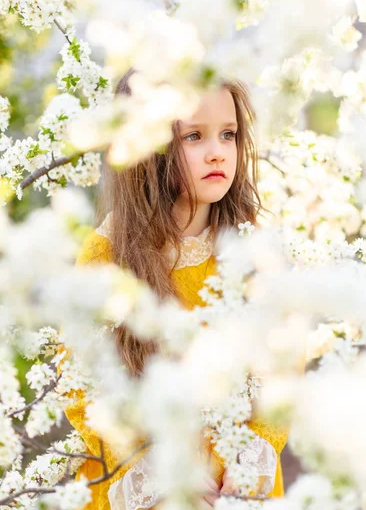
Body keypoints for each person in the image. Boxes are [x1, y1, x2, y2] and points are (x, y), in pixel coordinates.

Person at [63, 69, 289, 510]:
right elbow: (82, 388)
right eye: (193, 138)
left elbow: (283, 363)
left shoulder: (253, 249)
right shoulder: (105, 258)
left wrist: (250, 462)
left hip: (237, 483)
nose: (217, 153)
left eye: (229, 134)